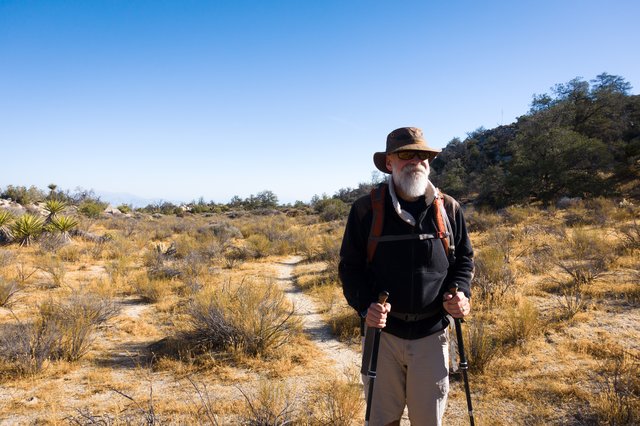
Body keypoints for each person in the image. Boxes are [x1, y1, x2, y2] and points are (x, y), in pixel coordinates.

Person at [339, 127, 474, 426]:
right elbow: (350, 267)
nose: (416, 161)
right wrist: (365, 306)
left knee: (428, 420)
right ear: (389, 163)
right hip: (382, 337)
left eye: (422, 155)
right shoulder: (365, 210)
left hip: (432, 334)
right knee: (381, 420)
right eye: (405, 155)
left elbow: (464, 259)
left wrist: (461, 293)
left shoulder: (448, 208)